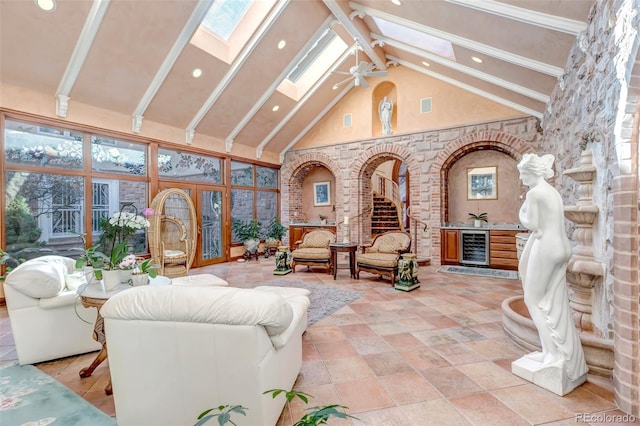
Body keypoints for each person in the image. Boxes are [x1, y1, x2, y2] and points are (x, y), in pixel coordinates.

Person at [517, 153, 587, 380]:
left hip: (546, 247)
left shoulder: (535, 192)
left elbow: (532, 224)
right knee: (552, 299)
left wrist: (522, 211)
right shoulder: (551, 191)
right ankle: (554, 351)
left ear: (533, 172)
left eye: (523, 173)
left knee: (533, 299)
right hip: (561, 247)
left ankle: (552, 355)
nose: (521, 177)